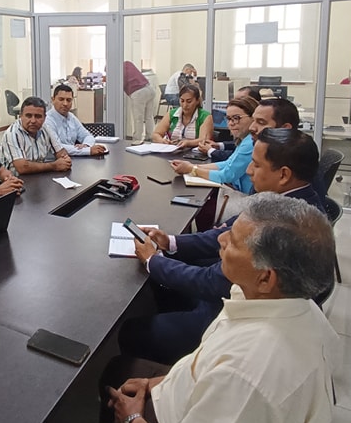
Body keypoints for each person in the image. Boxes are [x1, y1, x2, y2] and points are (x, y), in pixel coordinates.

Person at [29, 193, 339, 423]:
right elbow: (208, 364)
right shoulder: (291, 306)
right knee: (116, 370)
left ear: (266, 277)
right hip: (191, 404)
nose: (220, 239)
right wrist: (155, 383)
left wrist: (133, 422)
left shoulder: (248, 372)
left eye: (233, 242)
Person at [119, 128, 325, 365]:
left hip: (228, 318)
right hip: (235, 298)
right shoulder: (287, 202)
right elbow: (220, 235)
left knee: (131, 331)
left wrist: (152, 260)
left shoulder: (284, 224)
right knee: (168, 274)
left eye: (256, 165)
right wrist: (170, 242)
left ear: (284, 174)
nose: (249, 170)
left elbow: (211, 281)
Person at [171, 96, 257, 193]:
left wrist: (192, 169)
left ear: (253, 117)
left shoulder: (250, 143)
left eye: (236, 118)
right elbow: (227, 163)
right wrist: (193, 166)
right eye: (228, 118)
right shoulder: (245, 139)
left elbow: (226, 175)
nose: (231, 123)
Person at [0, 97, 72, 175]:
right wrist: (54, 166)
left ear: (45, 118)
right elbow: (22, 167)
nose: (33, 121)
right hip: (14, 180)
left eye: (38, 116)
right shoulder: (12, 134)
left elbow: (61, 152)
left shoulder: (45, 128)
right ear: (21, 116)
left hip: (38, 176)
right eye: (28, 116)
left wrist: (65, 160)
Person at [44, 85, 107, 157]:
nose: (65, 103)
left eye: (68, 100)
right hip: (54, 161)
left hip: (73, 159)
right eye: (61, 99)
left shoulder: (71, 117)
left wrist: (86, 145)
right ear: (53, 100)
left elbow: (87, 135)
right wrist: (88, 150)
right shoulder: (47, 120)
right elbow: (58, 147)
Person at [151, 84, 212, 150]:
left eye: (189, 101)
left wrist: (188, 143)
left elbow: (204, 140)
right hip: (172, 151)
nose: (185, 105)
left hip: (194, 153)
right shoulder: (172, 114)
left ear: (197, 101)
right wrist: (162, 141)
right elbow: (156, 134)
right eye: (182, 101)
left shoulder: (205, 116)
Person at [123, 61, 156, 145]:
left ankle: (137, 139)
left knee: (138, 118)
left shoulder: (118, 71)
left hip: (138, 92)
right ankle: (150, 136)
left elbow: (119, 85)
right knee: (149, 116)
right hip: (149, 88)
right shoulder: (127, 63)